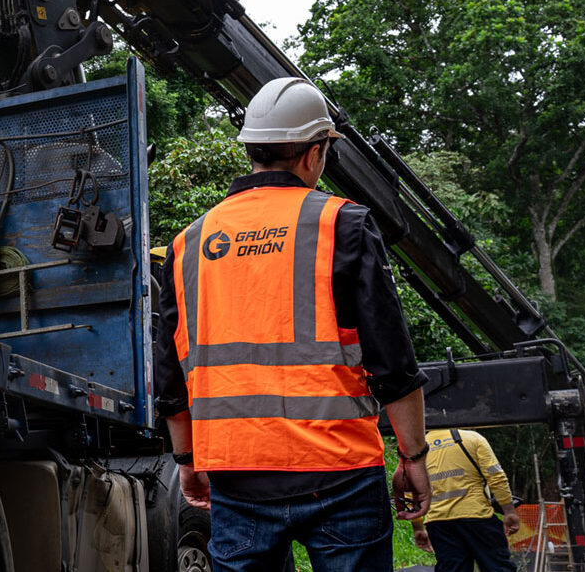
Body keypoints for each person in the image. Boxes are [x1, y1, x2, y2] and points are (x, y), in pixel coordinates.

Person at [154, 77, 432, 572]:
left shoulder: (186, 244)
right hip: (340, 468)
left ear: (252, 152)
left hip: (237, 472)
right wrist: (412, 458)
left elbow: (171, 372)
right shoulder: (343, 223)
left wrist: (185, 460)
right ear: (313, 153)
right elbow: (392, 359)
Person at [410, 428, 520, 572]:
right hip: (477, 517)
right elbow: (496, 477)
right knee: (497, 567)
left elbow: (411, 490)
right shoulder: (473, 438)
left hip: (439, 523)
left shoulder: (417, 448)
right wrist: (509, 511)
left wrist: (418, 527)